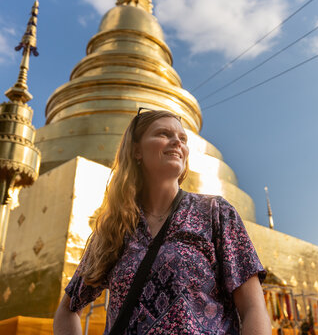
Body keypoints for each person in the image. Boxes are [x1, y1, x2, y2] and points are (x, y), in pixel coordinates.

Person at [53, 109, 270, 334]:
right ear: (137, 150)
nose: (177, 141)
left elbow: (253, 308)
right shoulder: (117, 227)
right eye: (164, 134)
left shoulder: (215, 213)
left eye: (183, 138)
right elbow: (67, 310)